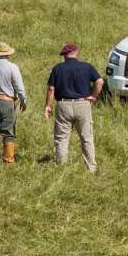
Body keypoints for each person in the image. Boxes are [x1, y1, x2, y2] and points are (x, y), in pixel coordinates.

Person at [44, 44, 104, 173]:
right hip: (83, 104)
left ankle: (61, 168)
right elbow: (99, 82)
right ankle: (91, 168)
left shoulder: (57, 68)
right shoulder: (87, 67)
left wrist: (48, 106)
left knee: (61, 138)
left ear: (64, 56)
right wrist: (93, 97)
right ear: (76, 53)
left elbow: (51, 89)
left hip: (63, 105)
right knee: (86, 138)